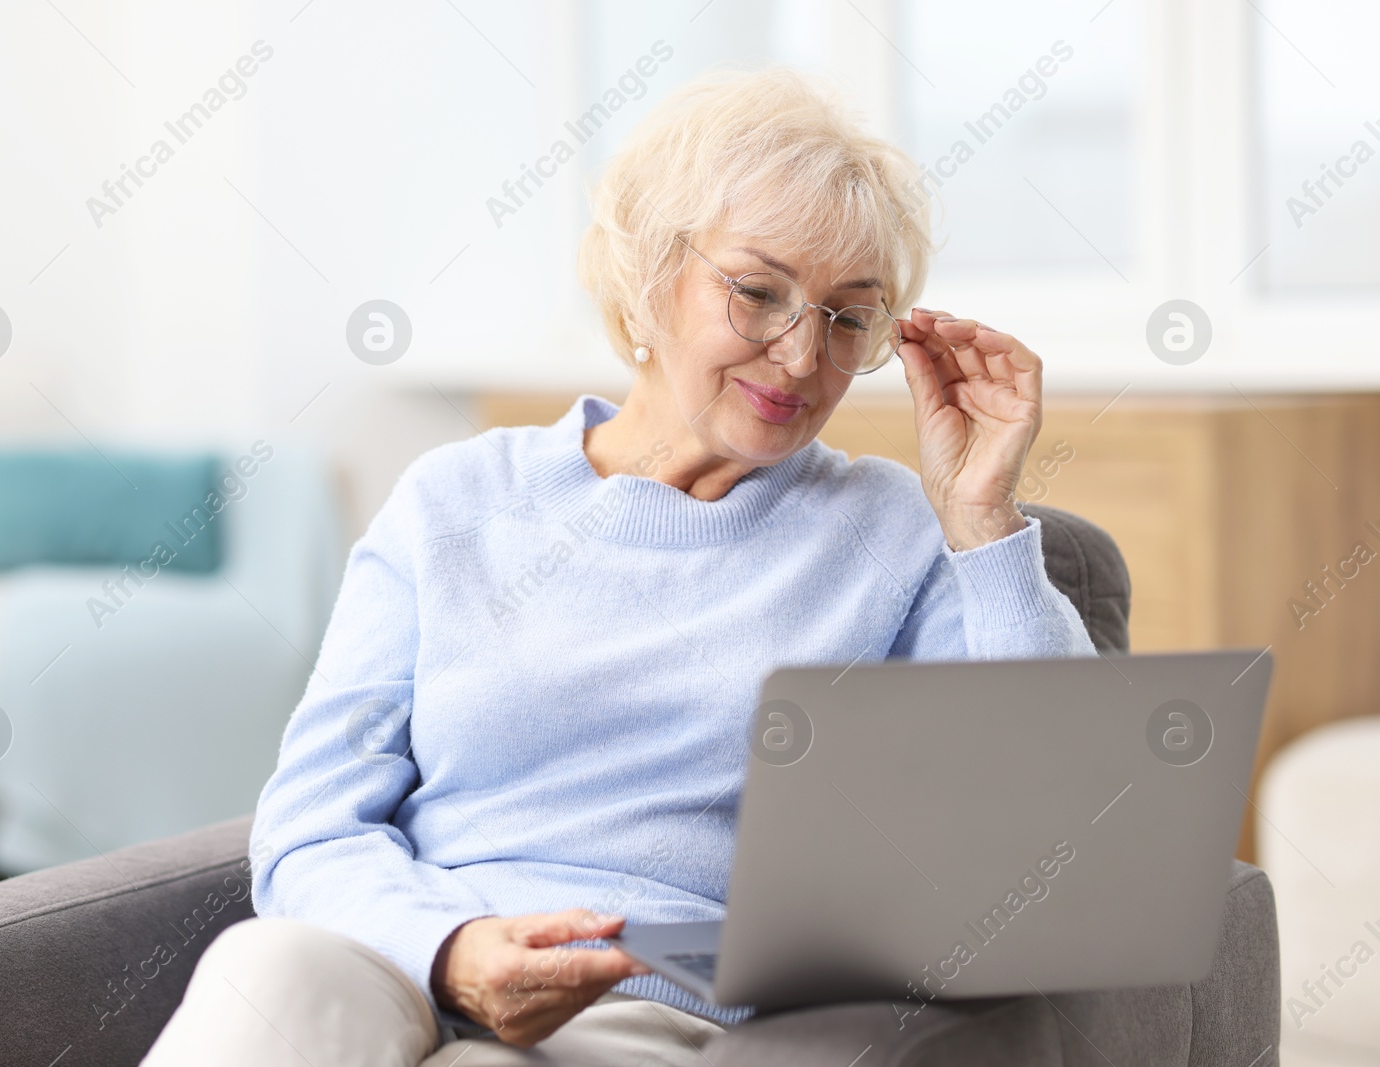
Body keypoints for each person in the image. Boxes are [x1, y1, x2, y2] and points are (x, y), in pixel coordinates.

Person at [141, 65, 1096, 1067]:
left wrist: (981, 514)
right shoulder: (454, 498)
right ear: (649, 280)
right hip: (399, 957)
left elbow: (1051, 843)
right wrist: (452, 948)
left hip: (641, 1002)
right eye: (757, 291)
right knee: (270, 972)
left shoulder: (893, 533)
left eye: (847, 316)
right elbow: (306, 828)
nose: (801, 354)